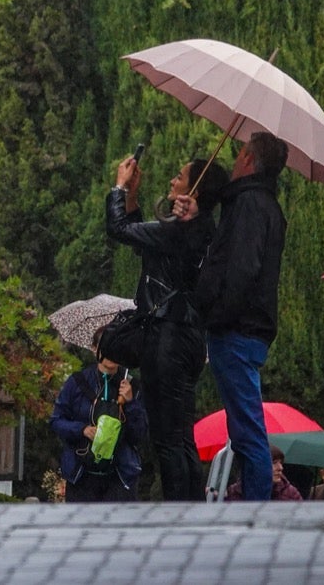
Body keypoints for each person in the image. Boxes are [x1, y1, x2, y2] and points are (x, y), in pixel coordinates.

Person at [107, 153, 228, 501]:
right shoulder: (201, 230)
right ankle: (190, 510)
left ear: (195, 192)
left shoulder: (183, 231)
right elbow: (142, 240)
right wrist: (132, 197)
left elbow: (118, 230)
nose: (172, 181)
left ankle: (180, 516)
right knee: (181, 437)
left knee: (168, 440)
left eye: (179, 177)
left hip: (168, 338)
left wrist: (117, 187)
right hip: (187, 339)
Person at [188, 131, 289, 501]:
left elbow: (242, 269)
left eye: (239, 155)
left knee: (247, 430)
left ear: (248, 158)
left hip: (237, 328)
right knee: (242, 423)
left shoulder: (249, 205)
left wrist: (215, 313)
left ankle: (256, 507)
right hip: (248, 328)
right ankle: (253, 499)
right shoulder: (263, 206)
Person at [50, 336, 149, 502]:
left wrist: (130, 403)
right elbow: (56, 421)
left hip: (120, 476)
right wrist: (82, 430)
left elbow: (140, 435)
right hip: (81, 475)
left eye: (115, 348)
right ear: (95, 349)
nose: (110, 354)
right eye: (105, 348)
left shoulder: (132, 386)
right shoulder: (76, 383)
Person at [224, 445, 303, 501]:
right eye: (274, 463)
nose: (280, 468)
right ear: (258, 465)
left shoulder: (291, 494)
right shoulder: (235, 492)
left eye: (281, 463)